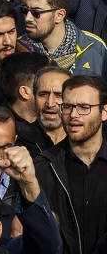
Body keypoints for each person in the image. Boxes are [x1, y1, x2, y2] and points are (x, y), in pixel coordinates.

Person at [35, 74, 107, 254]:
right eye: (67, 107)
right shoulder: (43, 167)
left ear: (104, 112)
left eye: (84, 107)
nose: (73, 115)